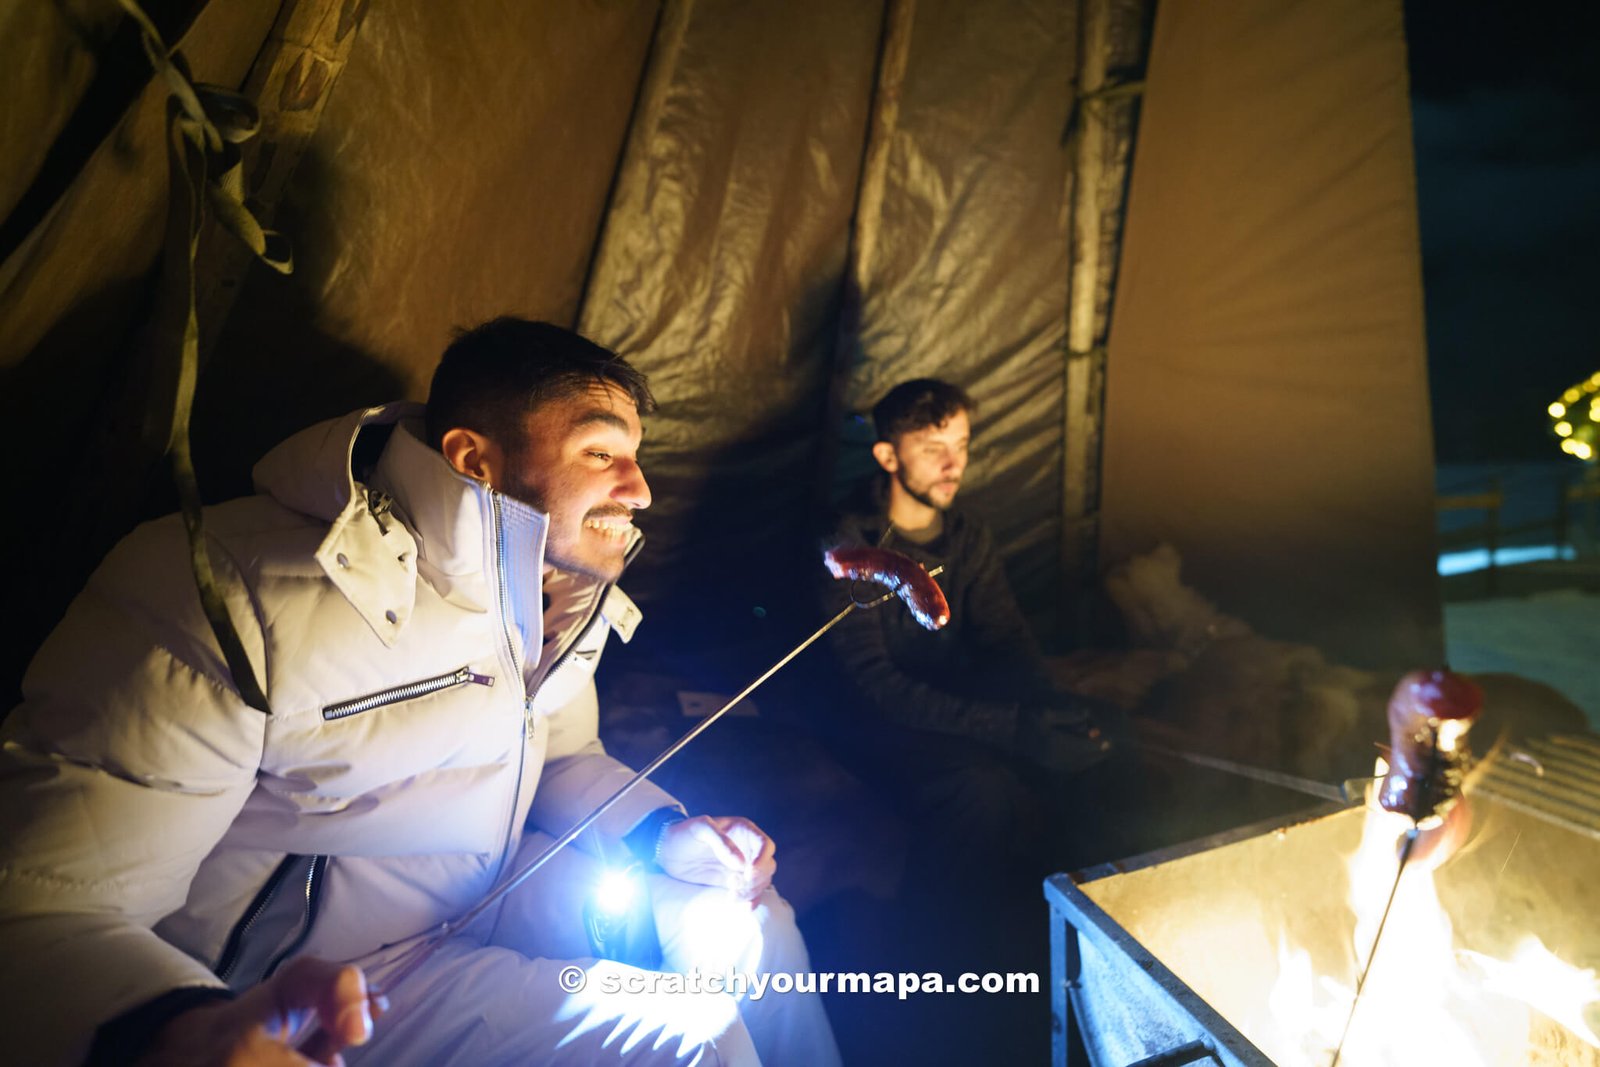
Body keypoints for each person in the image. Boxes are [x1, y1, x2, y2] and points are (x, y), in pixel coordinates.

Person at [0, 319, 840, 1066]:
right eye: (601, 453)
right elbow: (43, 903)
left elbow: (563, 754)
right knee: (686, 1042)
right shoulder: (227, 593)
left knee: (753, 929)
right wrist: (177, 1029)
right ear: (475, 458)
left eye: (637, 457)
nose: (641, 489)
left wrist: (665, 834)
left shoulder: (554, 593)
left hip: (487, 901)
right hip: (323, 984)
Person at [822, 379, 1113, 871]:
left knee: (1097, 737)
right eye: (934, 450)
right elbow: (874, 685)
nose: (953, 466)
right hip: (876, 723)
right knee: (979, 788)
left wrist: (1050, 709)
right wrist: (1011, 727)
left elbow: (1007, 638)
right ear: (888, 457)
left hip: (955, 702)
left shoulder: (967, 537)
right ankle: (960, 925)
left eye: (961, 446)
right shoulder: (849, 547)